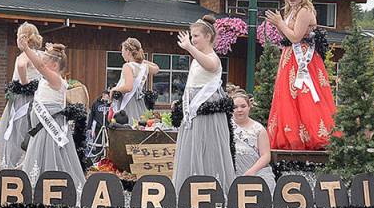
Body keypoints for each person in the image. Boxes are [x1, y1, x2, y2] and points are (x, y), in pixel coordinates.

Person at [264, 0, 337, 150]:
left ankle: (310, 136)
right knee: (288, 96)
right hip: (290, 57)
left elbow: (296, 37)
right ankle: (290, 135)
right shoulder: (292, 11)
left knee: (304, 95)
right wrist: (280, 24)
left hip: (303, 58)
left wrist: (279, 23)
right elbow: (289, 37)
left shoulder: (305, 11)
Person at [172, 15, 236, 191]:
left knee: (208, 144)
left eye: (196, 36)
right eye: (192, 36)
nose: (193, 40)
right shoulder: (197, 58)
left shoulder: (211, 56)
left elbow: (211, 66)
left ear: (208, 36)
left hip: (207, 106)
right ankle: (190, 185)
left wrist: (190, 48)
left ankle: (212, 185)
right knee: (193, 145)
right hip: (193, 106)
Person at [17, 43, 86, 192]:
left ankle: (54, 190)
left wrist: (26, 49)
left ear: (54, 65)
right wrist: (47, 50)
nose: (42, 62)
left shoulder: (55, 79)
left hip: (51, 129)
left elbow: (40, 67)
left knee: (52, 156)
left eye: (46, 60)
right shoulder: (47, 79)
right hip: (41, 128)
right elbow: (40, 65)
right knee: (39, 155)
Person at [0, 22, 44, 169]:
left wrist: (24, 82)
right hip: (37, 98)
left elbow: (21, 65)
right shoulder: (41, 55)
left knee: (16, 133)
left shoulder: (24, 55)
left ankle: (13, 165)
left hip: (22, 100)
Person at [229, 87, 275, 193]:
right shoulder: (225, 127)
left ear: (249, 107)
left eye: (243, 106)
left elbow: (265, 155)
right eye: (235, 107)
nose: (239, 110)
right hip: (231, 171)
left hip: (255, 171)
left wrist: (251, 172)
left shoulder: (259, 129)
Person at [109, 37, 160, 126]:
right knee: (139, 127)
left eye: (122, 51)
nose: (122, 54)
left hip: (128, 102)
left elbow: (129, 87)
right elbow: (156, 68)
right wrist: (140, 60)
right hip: (139, 102)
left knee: (126, 128)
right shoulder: (144, 66)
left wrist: (114, 89)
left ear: (128, 51)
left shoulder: (127, 66)